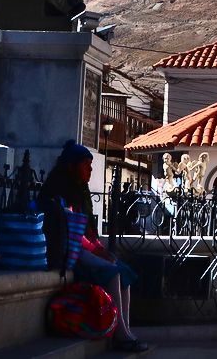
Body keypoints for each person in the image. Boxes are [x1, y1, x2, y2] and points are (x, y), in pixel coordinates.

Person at [39, 141, 148, 353]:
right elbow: (71, 231)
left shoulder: (81, 191)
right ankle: (120, 334)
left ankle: (124, 328)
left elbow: (87, 229)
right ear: (72, 166)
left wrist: (100, 248)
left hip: (85, 248)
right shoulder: (61, 191)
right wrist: (96, 250)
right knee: (113, 273)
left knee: (122, 270)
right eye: (86, 164)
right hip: (70, 252)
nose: (90, 169)